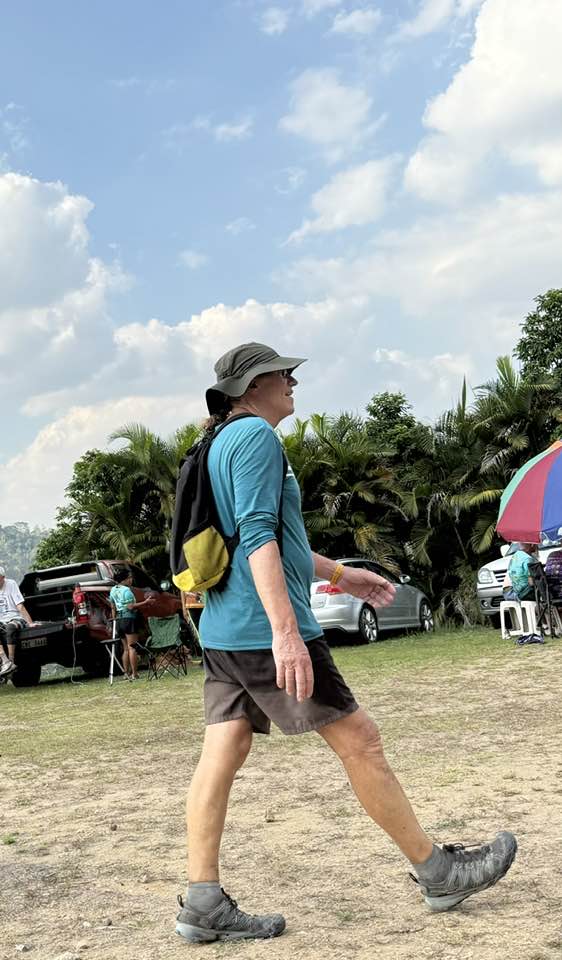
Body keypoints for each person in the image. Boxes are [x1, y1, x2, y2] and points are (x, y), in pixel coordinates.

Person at [175, 343, 517, 944]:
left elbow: (274, 539)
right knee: (361, 741)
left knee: (222, 751)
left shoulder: (216, 442)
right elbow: (257, 536)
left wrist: (341, 574)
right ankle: (437, 873)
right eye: (282, 374)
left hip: (225, 630)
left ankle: (202, 902)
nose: (292, 382)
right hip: (262, 629)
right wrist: (286, 633)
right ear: (252, 387)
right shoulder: (254, 437)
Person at [108, 569, 155, 680]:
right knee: (132, 647)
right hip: (128, 619)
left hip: (119, 620)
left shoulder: (113, 590)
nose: (131, 580)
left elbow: (113, 607)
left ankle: (126, 673)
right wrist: (146, 602)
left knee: (125, 648)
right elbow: (130, 606)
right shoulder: (126, 590)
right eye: (129, 578)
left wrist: (114, 620)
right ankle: (134, 674)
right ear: (124, 579)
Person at [0, 565, 38, 679]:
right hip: (1, 620)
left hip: (15, 617)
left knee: (10, 628)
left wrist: (30, 623)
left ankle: (11, 661)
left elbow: (20, 606)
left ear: (3, 577)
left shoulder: (11, 584)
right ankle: (5, 661)